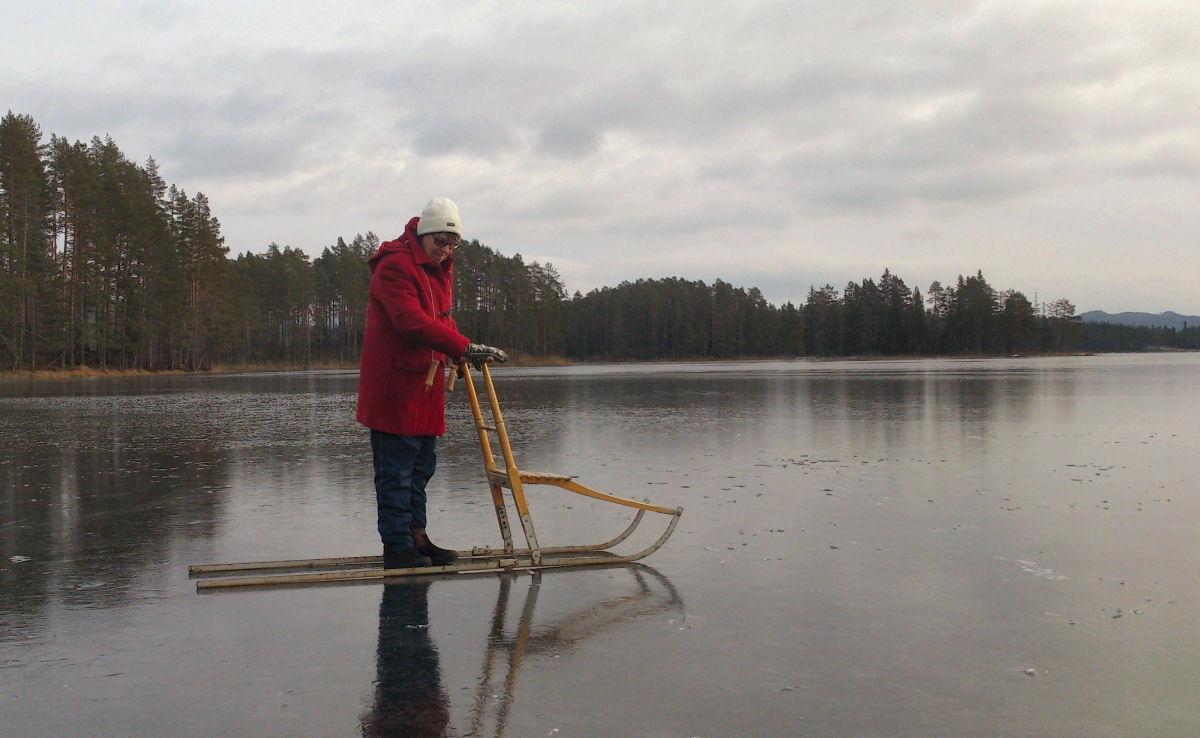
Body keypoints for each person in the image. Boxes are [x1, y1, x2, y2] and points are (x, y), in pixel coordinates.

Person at [357, 197, 507, 569]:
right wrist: (462, 346)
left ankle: (418, 538)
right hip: (395, 387)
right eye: (440, 240)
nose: (445, 249)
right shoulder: (394, 266)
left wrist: (462, 351)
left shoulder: (439, 269)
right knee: (396, 472)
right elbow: (410, 321)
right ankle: (397, 547)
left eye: (452, 243)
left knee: (421, 469)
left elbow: (441, 320)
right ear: (423, 234)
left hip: (425, 385)